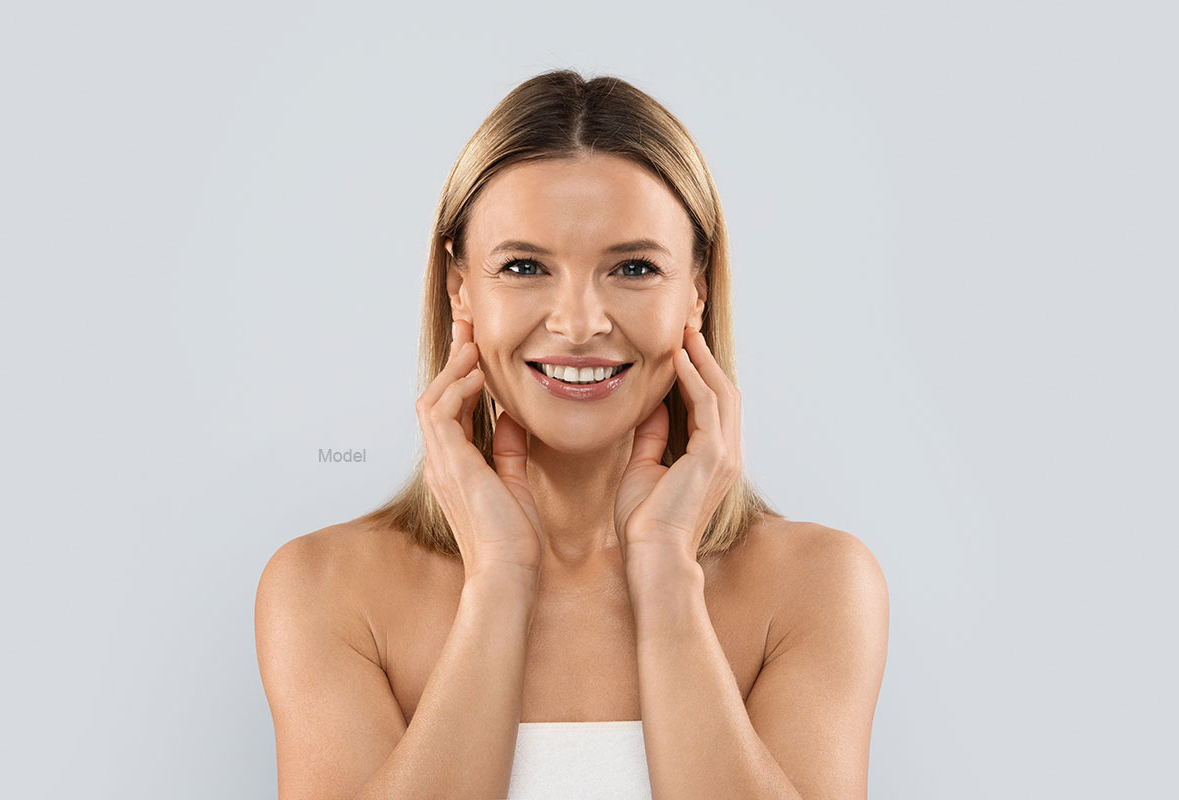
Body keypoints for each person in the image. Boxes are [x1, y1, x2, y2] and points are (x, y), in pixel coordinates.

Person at [254, 69, 889, 799]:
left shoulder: (818, 586)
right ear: (460, 286)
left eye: (635, 267)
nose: (580, 324)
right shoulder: (326, 592)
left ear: (698, 288)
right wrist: (499, 579)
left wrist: (666, 578)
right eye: (524, 266)